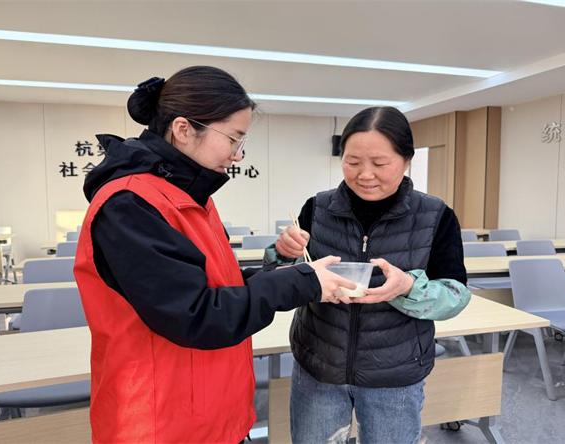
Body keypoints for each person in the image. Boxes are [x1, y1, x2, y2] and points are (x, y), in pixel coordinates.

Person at [73, 66, 356, 444]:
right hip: (160, 421)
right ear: (183, 129)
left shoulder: (189, 197)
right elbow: (196, 314)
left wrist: (286, 273)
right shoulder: (130, 204)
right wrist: (298, 282)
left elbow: (218, 285)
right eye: (233, 139)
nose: (237, 155)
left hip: (208, 410)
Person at [271, 106, 472, 444]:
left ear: (406, 160)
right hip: (319, 365)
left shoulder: (435, 216)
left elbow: (455, 295)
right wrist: (281, 251)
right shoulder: (317, 208)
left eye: (380, 164)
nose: (365, 175)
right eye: (352, 162)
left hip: (395, 374)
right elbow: (285, 274)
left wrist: (408, 287)